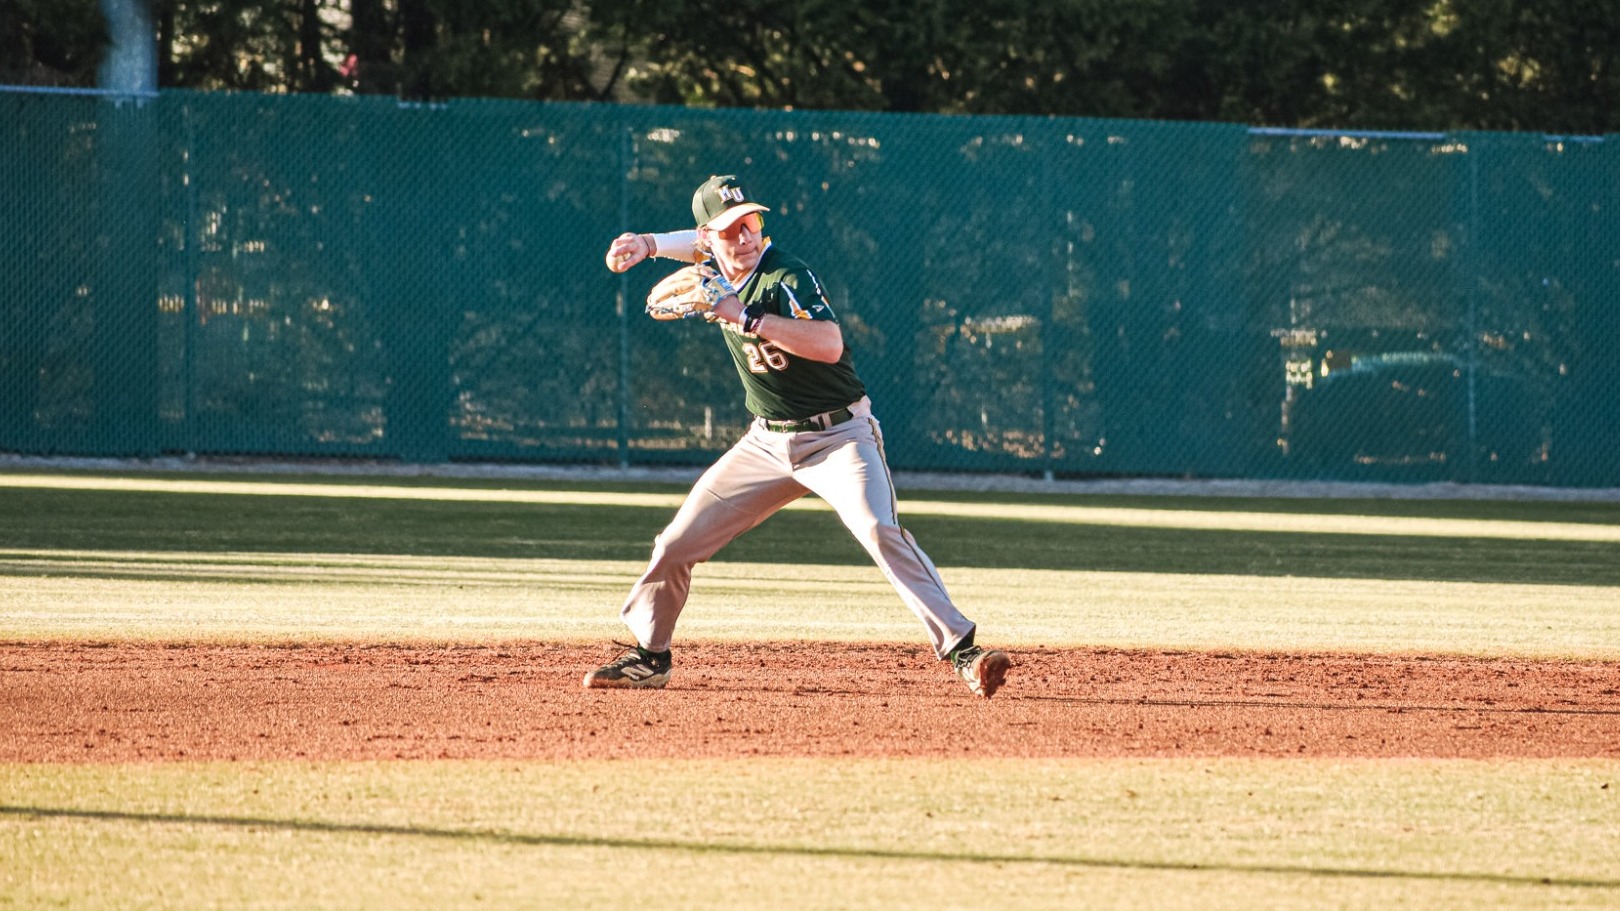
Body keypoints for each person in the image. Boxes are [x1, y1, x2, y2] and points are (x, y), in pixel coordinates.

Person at [584, 174, 1012, 698]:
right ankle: (651, 656)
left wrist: (744, 315)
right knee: (675, 543)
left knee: (880, 529)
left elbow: (830, 345)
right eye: (729, 230)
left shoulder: (786, 275)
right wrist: (648, 246)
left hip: (839, 437)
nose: (743, 238)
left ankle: (964, 651)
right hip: (766, 443)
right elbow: (694, 243)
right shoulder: (712, 265)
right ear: (708, 238)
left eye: (751, 224)